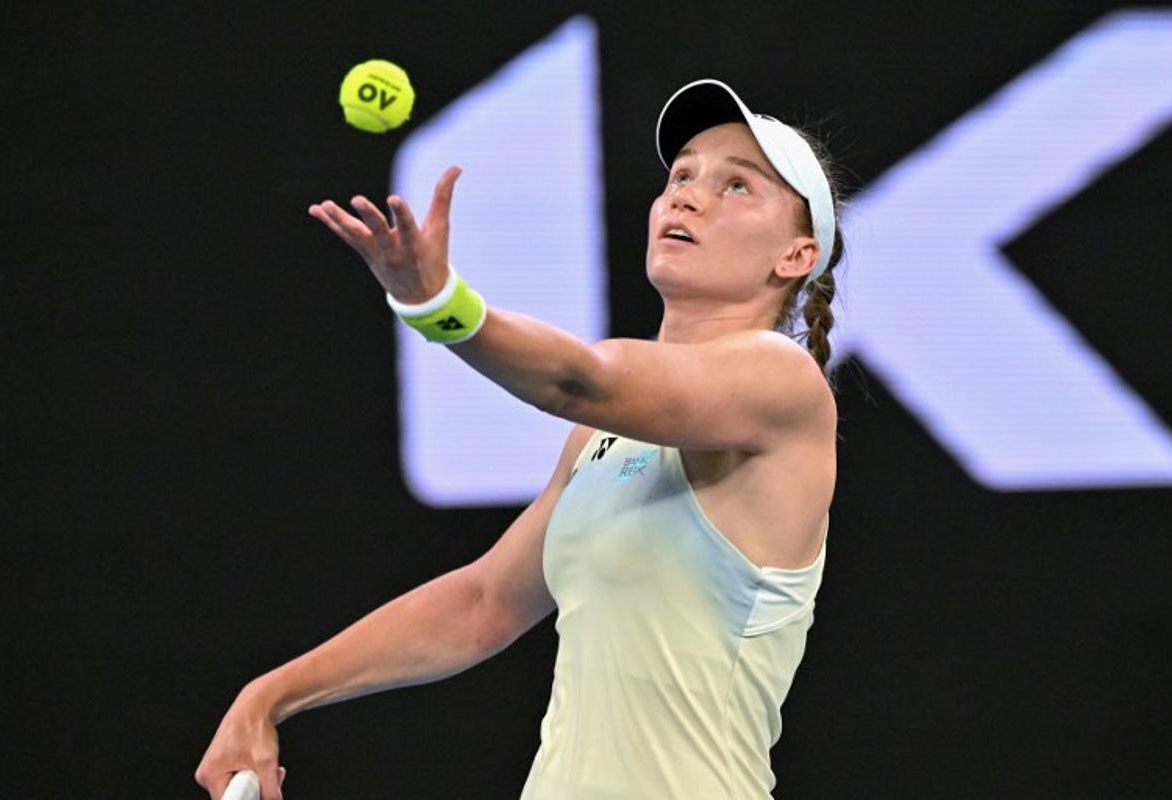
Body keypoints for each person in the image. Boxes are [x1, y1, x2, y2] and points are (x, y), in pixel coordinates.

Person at [195, 78, 844, 800]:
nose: (688, 195)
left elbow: (580, 379)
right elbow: (481, 606)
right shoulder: (601, 439)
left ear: (794, 256)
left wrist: (441, 306)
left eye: (738, 187)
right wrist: (269, 695)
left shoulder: (784, 385)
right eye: (682, 175)